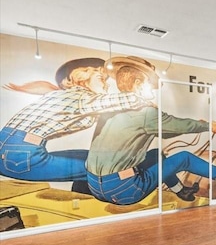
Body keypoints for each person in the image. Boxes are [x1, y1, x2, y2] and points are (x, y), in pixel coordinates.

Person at [85, 56, 216, 205]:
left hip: (95, 186)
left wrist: (197, 125)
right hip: (124, 190)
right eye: (148, 85)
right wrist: (206, 126)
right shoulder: (145, 112)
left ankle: (181, 191)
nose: (151, 92)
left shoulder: (111, 109)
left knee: (155, 155)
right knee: (185, 158)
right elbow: (177, 125)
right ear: (138, 83)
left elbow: (164, 129)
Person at [0, 58, 151, 186]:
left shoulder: (63, 94)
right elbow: (129, 99)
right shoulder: (83, 98)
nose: (106, 84)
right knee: (103, 168)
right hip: (20, 157)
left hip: (11, 148)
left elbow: (45, 86)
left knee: (92, 157)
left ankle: (84, 194)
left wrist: (21, 88)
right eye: (101, 78)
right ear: (81, 77)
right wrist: (143, 92)